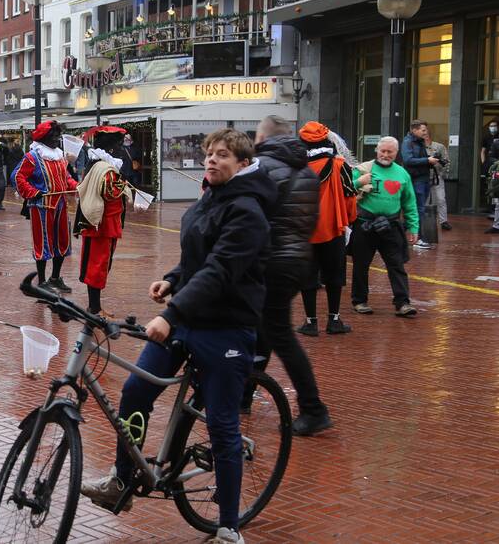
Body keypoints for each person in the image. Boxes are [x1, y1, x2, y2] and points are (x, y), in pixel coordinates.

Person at [81, 129, 276, 544]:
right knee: (135, 391)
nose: (211, 161)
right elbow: (197, 257)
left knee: (223, 425)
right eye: (209, 154)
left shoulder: (248, 210)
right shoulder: (212, 196)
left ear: (243, 164)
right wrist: (172, 279)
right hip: (188, 317)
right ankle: (122, 479)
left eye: (222, 155)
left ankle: (227, 526)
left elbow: (222, 269)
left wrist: (171, 314)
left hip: (227, 327)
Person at [251, 116, 333, 437]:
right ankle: (244, 393)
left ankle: (313, 407)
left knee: (277, 333)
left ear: (263, 136)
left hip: (270, 261)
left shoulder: (262, 167)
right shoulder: (305, 171)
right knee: (267, 328)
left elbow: (253, 215)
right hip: (298, 260)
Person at [297, 121, 358, 337]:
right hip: (334, 227)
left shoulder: (296, 167)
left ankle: (310, 321)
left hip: (304, 230)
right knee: (335, 274)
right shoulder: (340, 165)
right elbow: (350, 197)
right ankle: (334, 319)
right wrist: (349, 220)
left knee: (308, 276)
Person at [351, 136, 419, 317]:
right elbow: (343, 189)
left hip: (391, 225)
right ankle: (360, 301)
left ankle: (403, 303)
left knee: (396, 265)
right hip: (364, 224)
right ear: (377, 150)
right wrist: (359, 182)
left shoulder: (402, 174)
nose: (386, 155)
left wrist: (413, 227)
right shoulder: (363, 169)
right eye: (383, 151)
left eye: (390, 152)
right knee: (361, 265)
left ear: (397, 153)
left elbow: (410, 202)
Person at [13, 120, 79, 293]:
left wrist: (78, 187)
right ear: (44, 138)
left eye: (58, 136)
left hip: (61, 205)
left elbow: (66, 179)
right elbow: (17, 176)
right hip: (41, 206)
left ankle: (55, 278)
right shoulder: (33, 156)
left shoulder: (60, 157)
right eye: (54, 136)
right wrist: (33, 192)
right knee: (43, 243)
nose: (57, 139)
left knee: (62, 242)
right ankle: (42, 282)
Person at [73, 126, 131, 316]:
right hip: (102, 226)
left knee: (99, 265)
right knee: (96, 266)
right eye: (119, 144)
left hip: (104, 225)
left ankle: (95, 306)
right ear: (112, 148)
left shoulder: (99, 164)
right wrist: (124, 185)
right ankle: (94, 308)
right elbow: (109, 192)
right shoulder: (104, 168)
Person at [400, 119, 438, 249]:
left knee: (417, 209)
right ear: (414, 130)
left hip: (423, 179)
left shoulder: (419, 142)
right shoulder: (408, 142)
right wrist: (427, 160)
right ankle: (418, 238)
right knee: (418, 209)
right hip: (416, 180)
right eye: (423, 130)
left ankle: (403, 234)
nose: (425, 132)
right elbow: (408, 160)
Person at [424, 127, 452, 231]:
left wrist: (442, 173)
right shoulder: (419, 147)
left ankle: (443, 221)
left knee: (441, 199)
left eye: (426, 133)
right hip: (424, 177)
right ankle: (425, 220)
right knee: (425, 200)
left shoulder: (439, 146)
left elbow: (447, 162)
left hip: (437, 176)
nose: (424, 136)